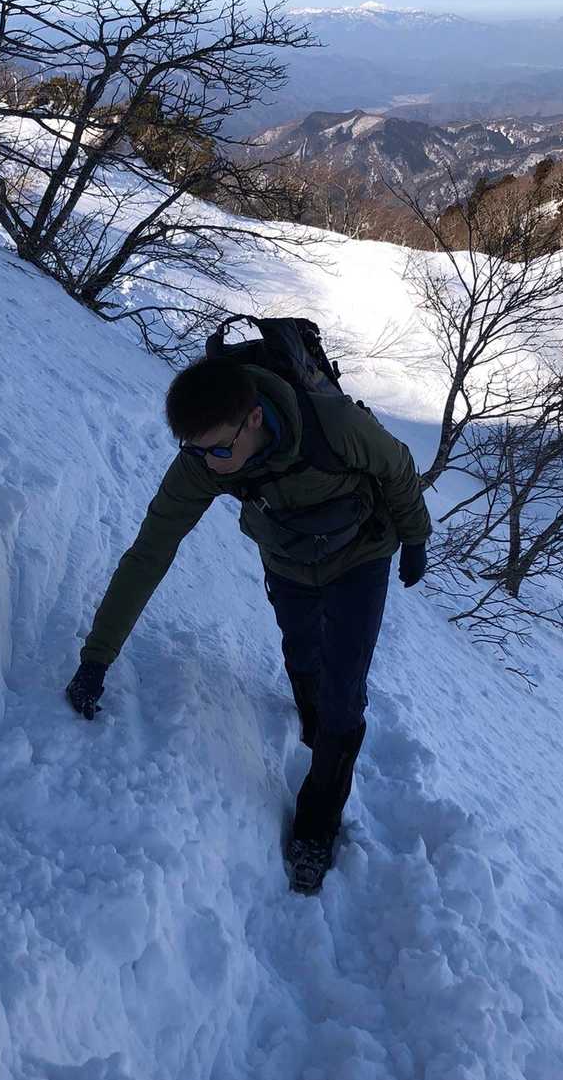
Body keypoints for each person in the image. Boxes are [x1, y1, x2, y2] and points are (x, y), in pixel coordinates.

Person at [65, 356, 431, 893]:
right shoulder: (203, 458)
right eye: (193, 451)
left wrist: (415, 536)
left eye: (218, 451)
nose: (208, 465)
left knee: (344, 693)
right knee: (301, 651)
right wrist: (97, 658)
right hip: (287, 559)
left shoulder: (334, 426)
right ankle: (312, 720)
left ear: (254, 418)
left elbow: (397, 466)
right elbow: (149, 553)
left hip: (361, 556)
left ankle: (317, 825)